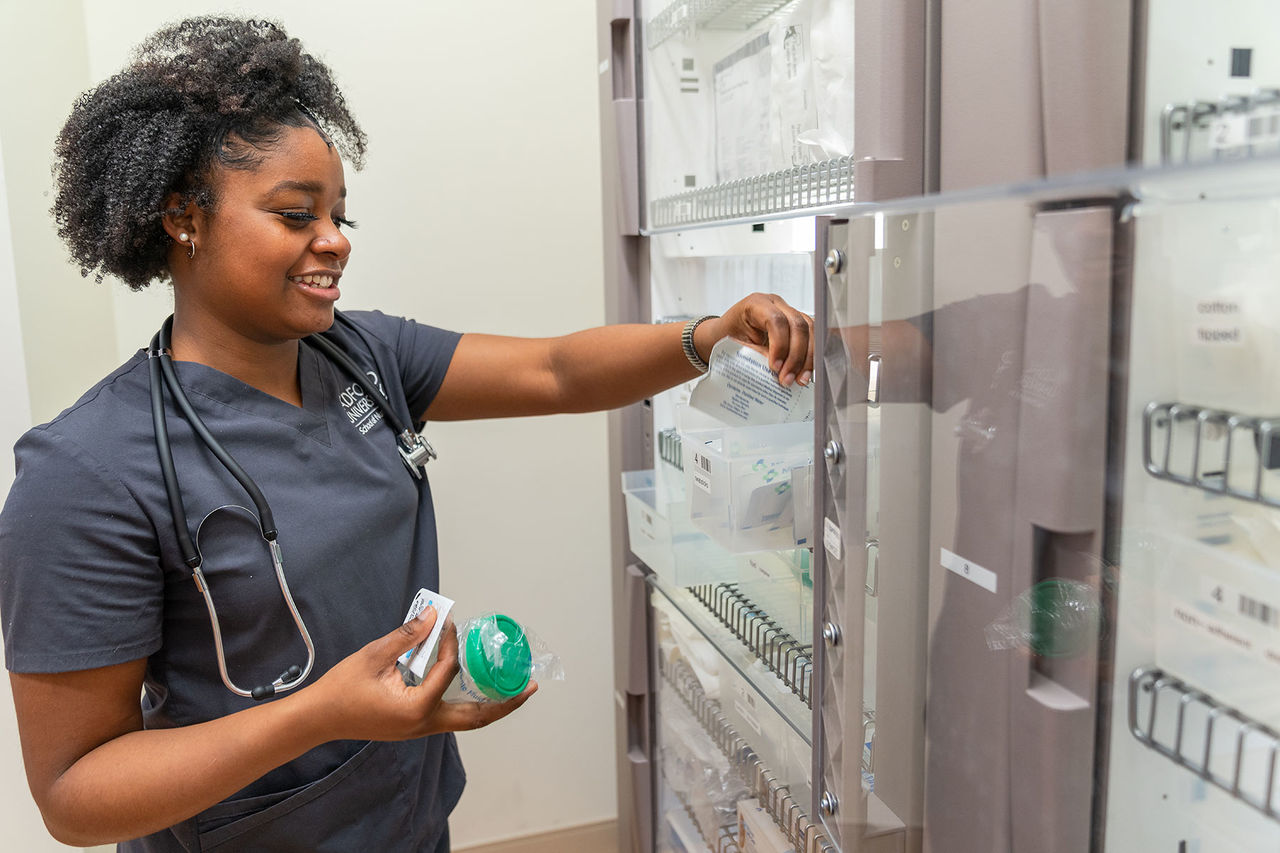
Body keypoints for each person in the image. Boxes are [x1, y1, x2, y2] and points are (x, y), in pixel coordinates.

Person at [0, 16, 814, 852]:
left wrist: (706, 338)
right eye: (294, 214)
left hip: (411, 820)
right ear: (183, 218)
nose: (335, 240)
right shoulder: (89, 470)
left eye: (339, 214)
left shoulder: (361, 356)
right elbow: (72, 792)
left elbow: (557, 371)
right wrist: (320, 714)